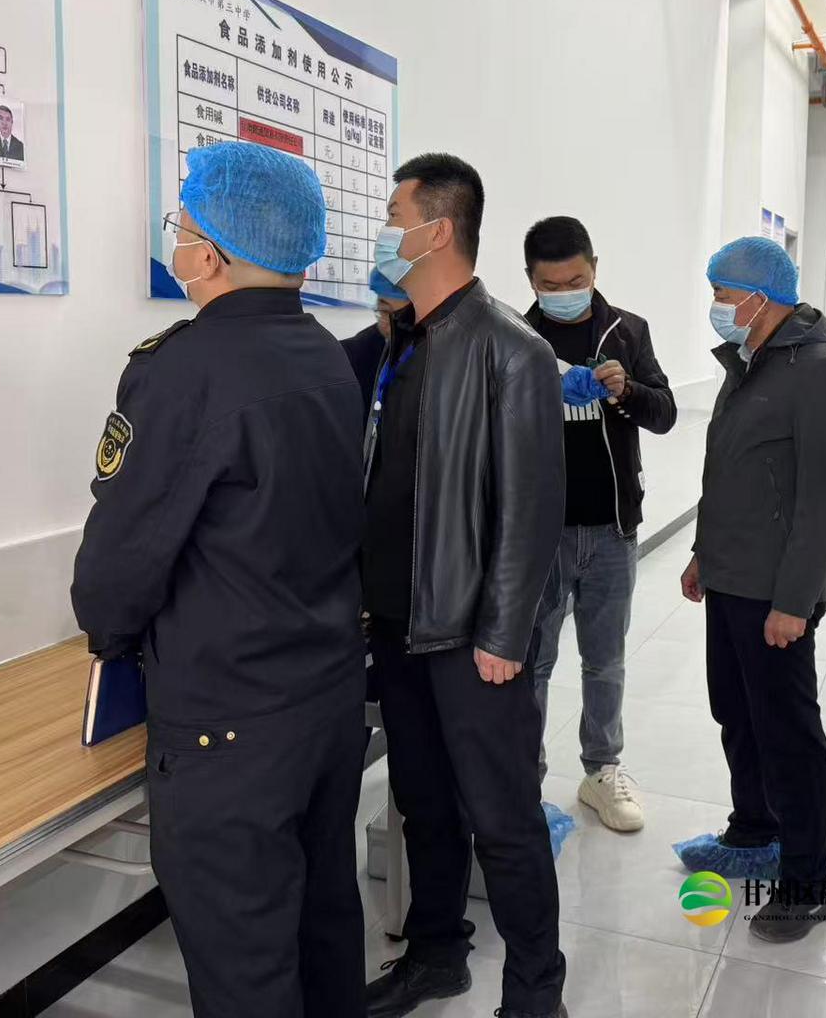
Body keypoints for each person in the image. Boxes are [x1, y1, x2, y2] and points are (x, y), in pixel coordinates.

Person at [71, 141, 366, 1018]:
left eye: (183, 228)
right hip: (324, 697)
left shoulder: (185, 370)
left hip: (228, 722)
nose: (177, 244)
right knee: (321, 924)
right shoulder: (324, 355)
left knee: (244, 963)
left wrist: (110, 639)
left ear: (210, 256)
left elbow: (124, 556)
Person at [361, 153, 568, 1018]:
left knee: (503, 819)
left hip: (471, 635)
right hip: (399, 626)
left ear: (436, 230)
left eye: (393, 214)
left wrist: (504, 633)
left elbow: (532, 509)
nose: (383, 230)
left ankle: (535, 993)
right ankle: (436, 954)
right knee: (424, 806)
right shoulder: (404, 342)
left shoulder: (512, 351)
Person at [678, 236, 826, 942]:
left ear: (760, 298)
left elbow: (825, 498)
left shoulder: (818, 369)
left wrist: (794, 601)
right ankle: (755, 830)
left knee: (787, 733)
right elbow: (729, 468)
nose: (717, 306)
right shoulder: (752, 355)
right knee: (737, 712)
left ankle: (809, 882)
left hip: (775, 588)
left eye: (724, 294)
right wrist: (703, 553)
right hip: (731, 574)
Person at [521, 215, 676, 832]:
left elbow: (664, 413)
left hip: (612, 528)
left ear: (594, 270)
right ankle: (523, 780)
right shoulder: (516, 337)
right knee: (532, 662)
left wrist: (626, 390)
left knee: (604, 660)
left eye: (576, 280)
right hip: (539, 535)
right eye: (550, 284)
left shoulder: (627, 331)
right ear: (530, 280)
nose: (565, 292)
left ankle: (602, 770)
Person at [341, 267, 412, 414]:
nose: (389, 323)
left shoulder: (429, 351)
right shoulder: (354, 353)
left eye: (401, 317)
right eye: (384, 311)